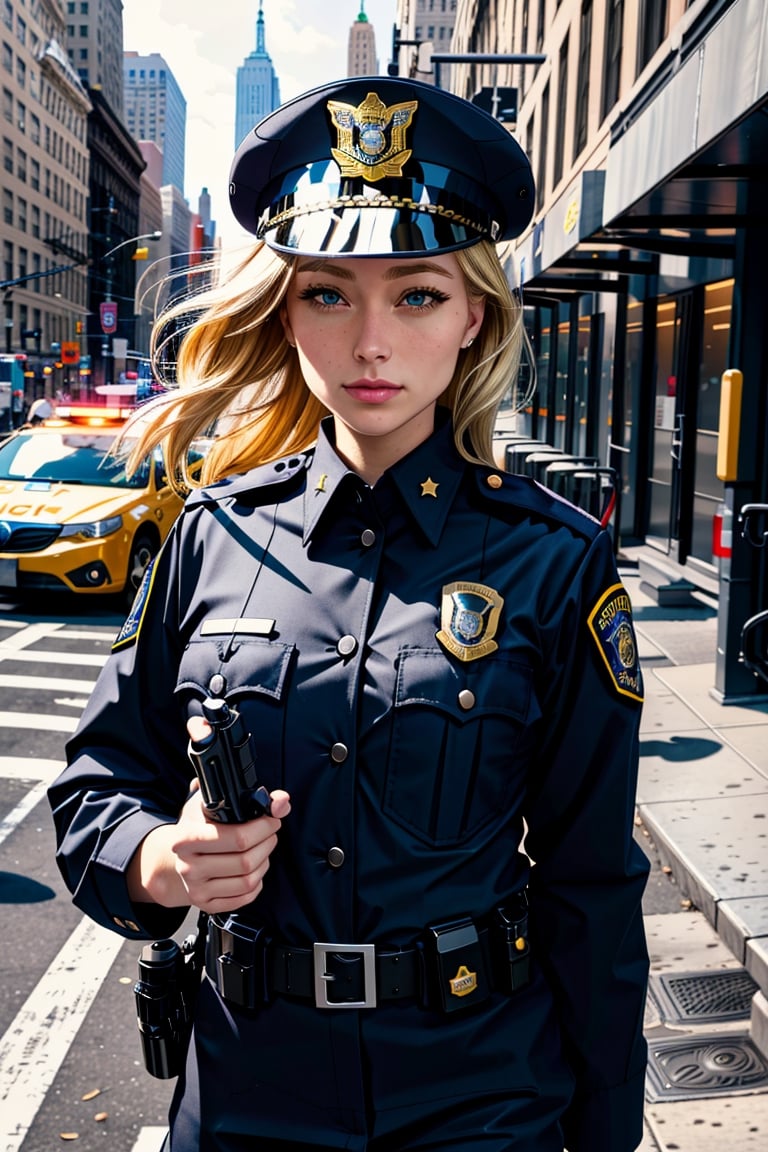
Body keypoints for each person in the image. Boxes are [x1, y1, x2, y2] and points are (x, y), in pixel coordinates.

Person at [48, 77, 649, 1152]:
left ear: (473, 314)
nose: (371, 342)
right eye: (330, 293)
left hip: (481, 1101)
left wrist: (606, 1135)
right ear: (287, 312)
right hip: (246, 1096)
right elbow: (97, 785)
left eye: (415, 294)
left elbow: (593, 891)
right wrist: (160, 858)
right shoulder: (211, 536)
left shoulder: (557, 561)